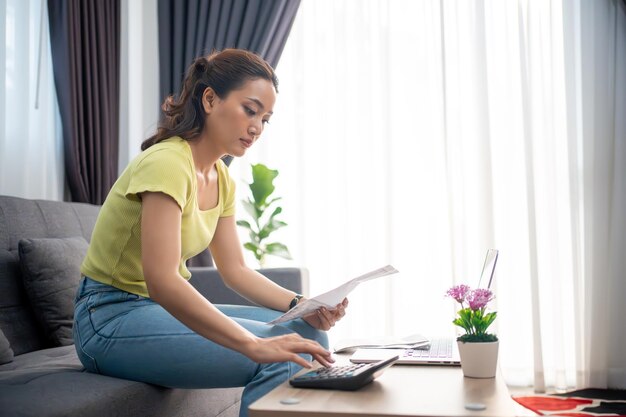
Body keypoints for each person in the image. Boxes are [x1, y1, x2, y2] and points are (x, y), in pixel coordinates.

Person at [73, 49, 349, 417]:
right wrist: (251, 344)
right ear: (209, 99)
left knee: (308, 334)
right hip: (107, 318)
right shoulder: (168, 163)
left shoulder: (221, 178)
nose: (256, 127)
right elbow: (163, 279)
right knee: (286, 355)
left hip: (155, 311)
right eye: (249, 110)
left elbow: (235, 270)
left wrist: (303, 305)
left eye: (265, 119)